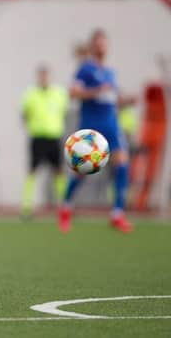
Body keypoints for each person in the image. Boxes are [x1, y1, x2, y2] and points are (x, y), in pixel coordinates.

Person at [59, 29, 133, 233]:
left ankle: (117, 213)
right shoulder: (86, 69)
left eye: (104, 42)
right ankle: (66, 207)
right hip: (92, 127)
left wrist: (127, 100)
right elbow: (73, 92)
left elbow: (112, 98)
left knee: (122, 164)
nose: (101, 46)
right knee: (82, 172)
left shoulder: (110, 72)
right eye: (98, 43)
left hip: (111, 125)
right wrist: (95, 91)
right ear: (92, 46)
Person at [20, 65, 69, 219]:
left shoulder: (60, 93)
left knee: (59, 171)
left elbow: (64, 113)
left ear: (50, 76)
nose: (44, 78)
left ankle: (65, 206)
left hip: (54, 137)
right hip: (37, 137)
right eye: (41, 76)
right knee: (32, 171)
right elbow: (24, 114)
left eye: (46, 75)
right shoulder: (30, 94)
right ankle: (27, 207)